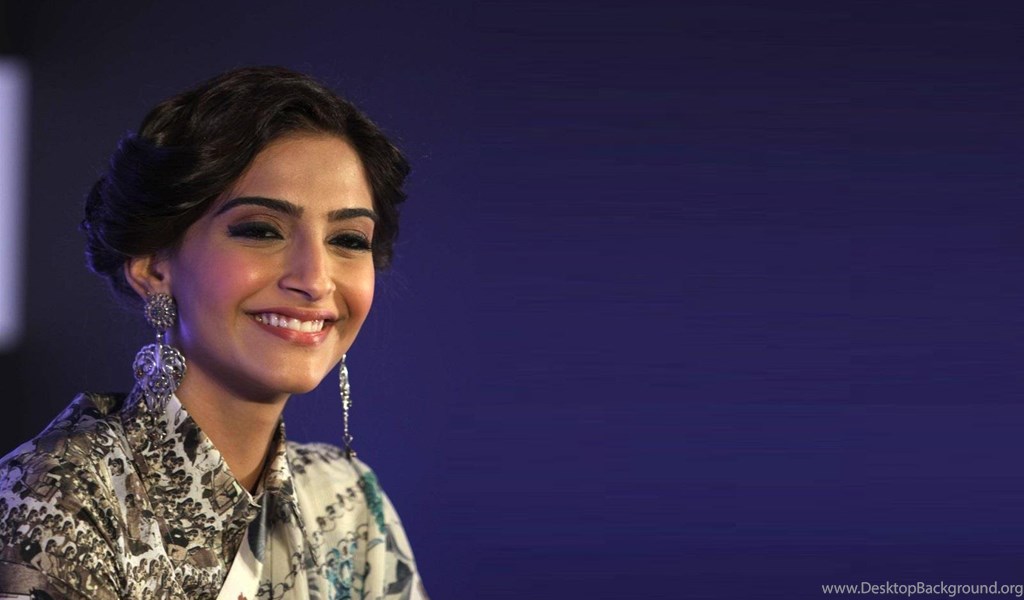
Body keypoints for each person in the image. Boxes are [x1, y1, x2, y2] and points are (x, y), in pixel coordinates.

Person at [0, 66, 428, 600]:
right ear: (153, 266)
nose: (316, 280)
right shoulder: (57, 494)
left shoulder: (348, 499)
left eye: (348, 239)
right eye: (261, 231)